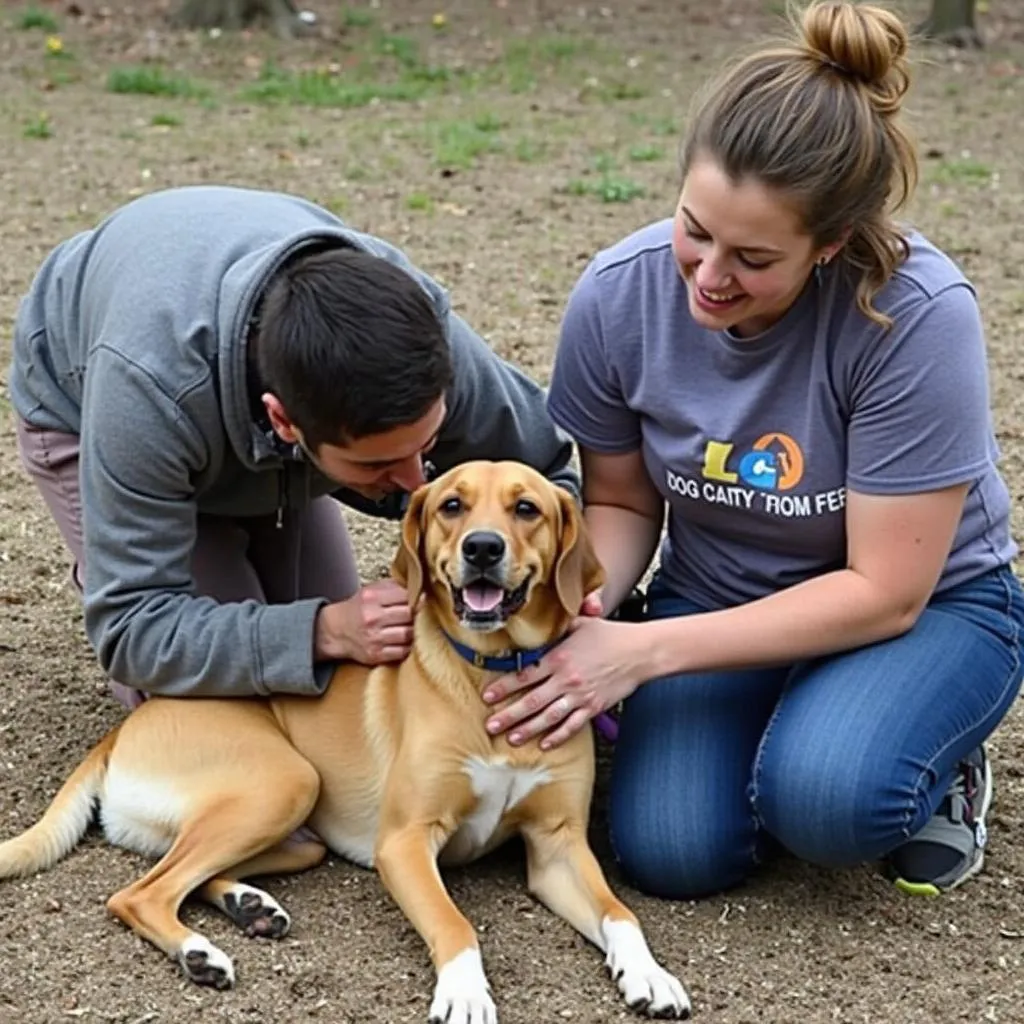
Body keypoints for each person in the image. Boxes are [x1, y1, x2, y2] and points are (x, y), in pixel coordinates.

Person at [478, 0, 1024, 899]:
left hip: (926, 610)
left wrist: (645, 654)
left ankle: (935, 760)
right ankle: (796, 722)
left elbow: (884, 590)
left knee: (829, 804)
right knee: (669, 852)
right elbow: (619, 501)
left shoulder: (916, 317)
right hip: (721, 592)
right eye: (695, 230)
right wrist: (588, 605)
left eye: (754, 258)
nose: (708, 276)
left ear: (830, 245)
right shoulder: (617, 297)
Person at [10, 184, 579, 709]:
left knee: (341, 693)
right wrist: (323, 630)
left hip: (258, 412)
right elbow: (138, 628)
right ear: (285, 423)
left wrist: (570, 580)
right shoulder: (147, 390)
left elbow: (548, 466)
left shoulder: (422, 338)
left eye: (426, 445)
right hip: (92, 396)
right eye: (377, 462)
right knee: (241, 706)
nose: (415, 483)